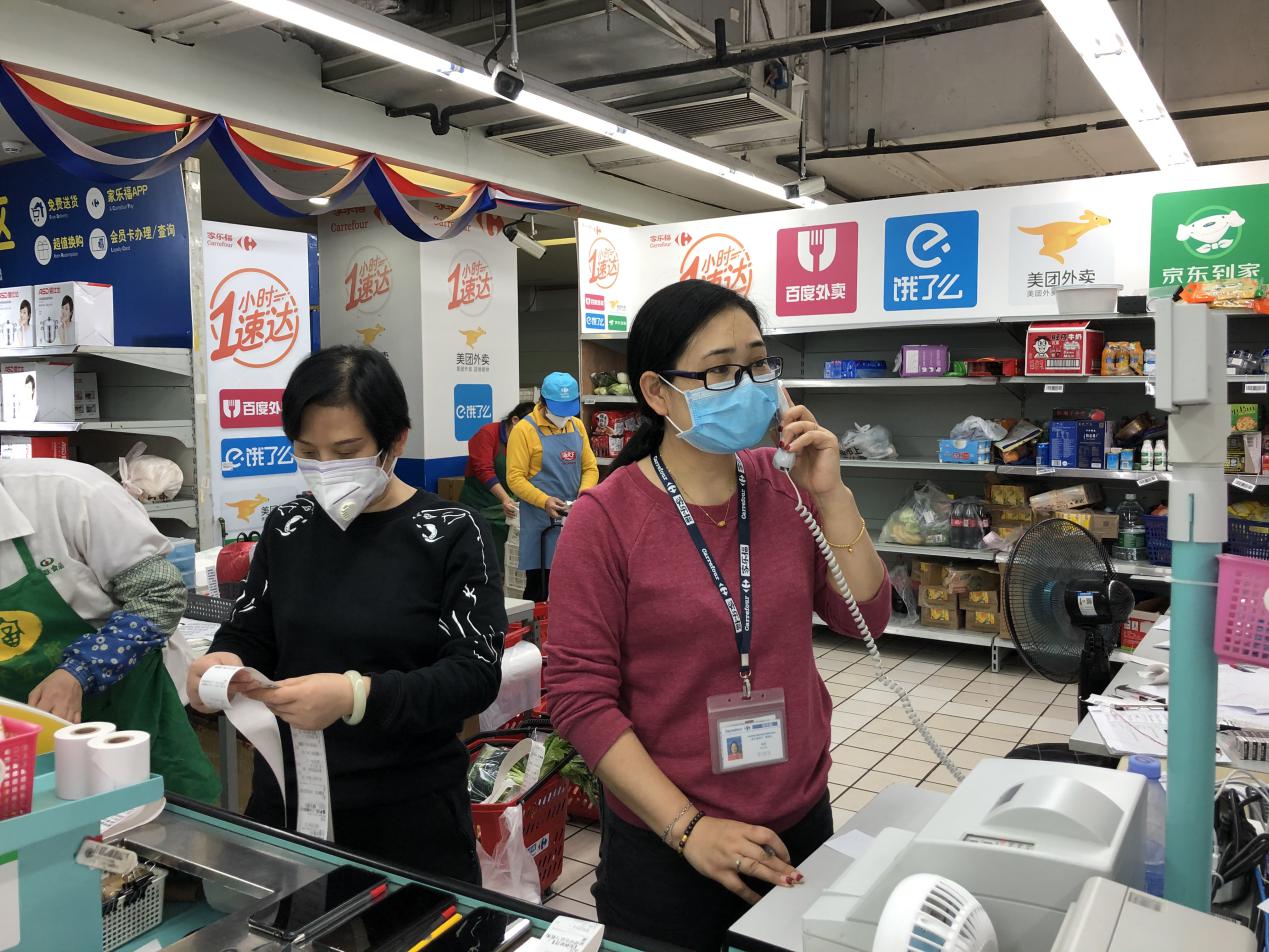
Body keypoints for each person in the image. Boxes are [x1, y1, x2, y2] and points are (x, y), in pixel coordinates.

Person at [546, 280, 891, 951]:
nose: (748, 386)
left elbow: (864, 620)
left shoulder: (783, 483)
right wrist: (687, 828)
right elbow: (578, 697)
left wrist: (832, 493)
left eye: (758, 365)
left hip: (799, 815)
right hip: (668, 843)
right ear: (657, 392)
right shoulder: (604, 519)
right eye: (720, 371)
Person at [188, 346, 506, 880]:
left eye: (346, 450)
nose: (325, 469)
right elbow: (252, 631)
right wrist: (224, 660)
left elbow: (474, 675)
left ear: (396, 440)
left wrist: (355, 696)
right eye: (307, 451)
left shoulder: (451, 532)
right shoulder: (287, 526)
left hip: (409, 812)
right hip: (287, 797)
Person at [0, 458, 219, 801]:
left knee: (156, 818)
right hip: (16, 742)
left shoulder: (73, 493)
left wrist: (79, 670)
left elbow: (159, 594)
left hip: (127, 714)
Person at [506, 372, 598, 602]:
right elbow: (515, 478)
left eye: (569, 409)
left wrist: (583, 495)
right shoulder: (524, 430)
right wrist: (544, 501)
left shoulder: (576, 426)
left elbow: (590, 468)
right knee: (540, 586)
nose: (564, 415)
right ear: (543, 401)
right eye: (559, 409)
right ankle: (537, 624)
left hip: (573, 516)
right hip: (540, 520)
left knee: (573, 584)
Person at [460, 401, 534, 569]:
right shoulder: (487, 434)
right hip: (481, 504)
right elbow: (484, 470)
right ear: (515, 420)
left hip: (509, 502)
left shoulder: (524, 441)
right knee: (487, 555)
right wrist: (505, 499)